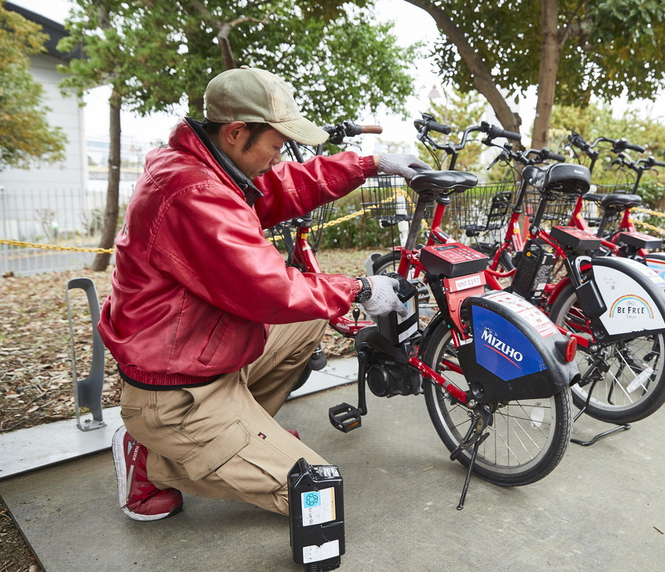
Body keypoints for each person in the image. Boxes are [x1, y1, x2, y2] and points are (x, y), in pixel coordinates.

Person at [99, 66, 430, 521]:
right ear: (237, 132)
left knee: (311, 318)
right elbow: (271, 289)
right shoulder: (193, 192)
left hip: (205, 354)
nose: (278, 158)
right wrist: (362, 287)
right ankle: (154, 458)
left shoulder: (212, 166)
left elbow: (279, 186)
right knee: (318, 494)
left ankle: (242, 435)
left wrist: (368, 164)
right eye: (275, 145)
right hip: (178, 394)